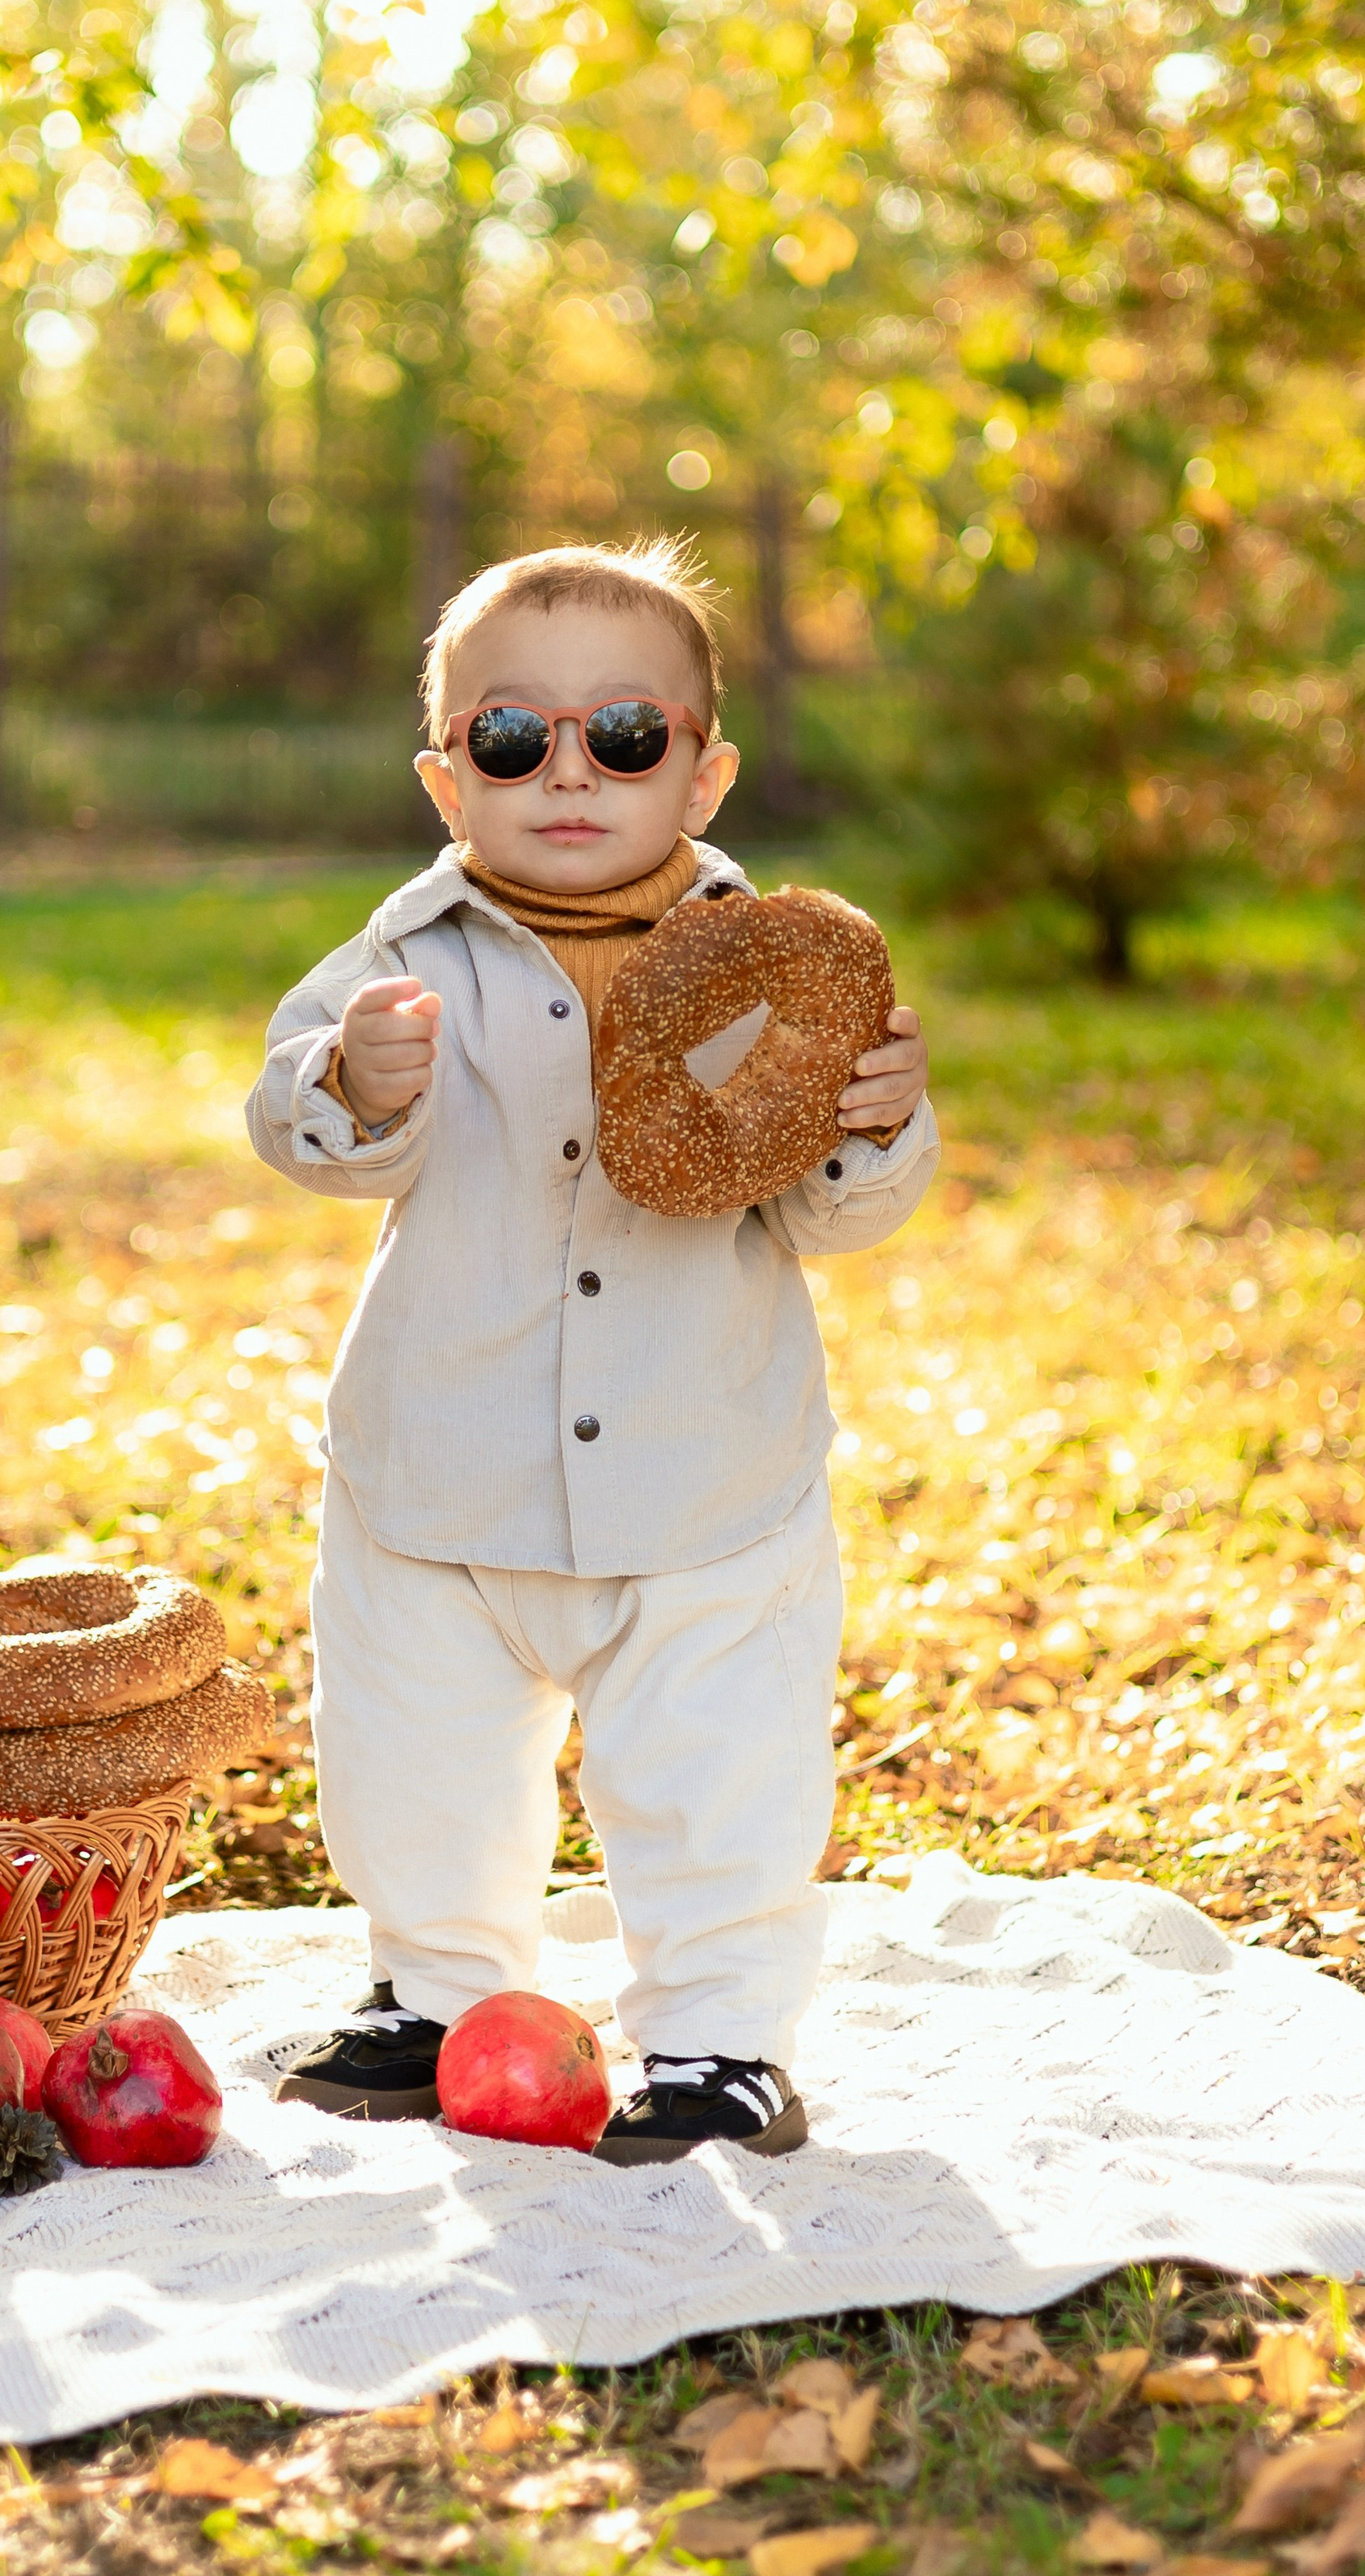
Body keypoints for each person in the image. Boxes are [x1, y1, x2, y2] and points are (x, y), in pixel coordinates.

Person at [246, 537, 938, 2163]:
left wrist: (871, 1127)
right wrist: (352, 1081)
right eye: (510, 738)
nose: (567, 771)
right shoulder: (402, 965)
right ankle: (434, 1992)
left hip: (706, 1478)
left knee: (719, 1774)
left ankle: (714, 2038)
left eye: (622, 736)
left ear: (701, 774)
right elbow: (301, 1125)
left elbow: (833, 1216)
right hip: (438, 1466)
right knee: (410, 1758)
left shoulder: (774, 977)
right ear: (446, 779)